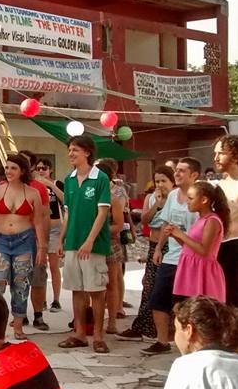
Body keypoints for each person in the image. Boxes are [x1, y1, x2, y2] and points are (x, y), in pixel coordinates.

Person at [58, 135, 112, 354]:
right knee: (77, 289)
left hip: (94, 245)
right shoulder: (69, 179)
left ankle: (98, 336)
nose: (70, 154)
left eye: (75, 150)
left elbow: (102, 212)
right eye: (69, 150)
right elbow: (68, 214)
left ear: (87, 153)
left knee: (96, 290)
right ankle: (79, 333)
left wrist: (89, 240)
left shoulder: (101, 178)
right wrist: (62, 239)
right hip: (72, 243)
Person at [143, 158, 201, 356]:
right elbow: (165, 224)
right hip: (171, 257)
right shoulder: (174, 195)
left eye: (182, 171)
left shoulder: (201, 197)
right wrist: (159, 248)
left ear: (194, 175)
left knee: (188, 304)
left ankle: (191, 344)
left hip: (192, 259)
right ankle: (162, 341)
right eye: (176, 170)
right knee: (158, 299)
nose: (177, 174)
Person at [0, 154, 46, 340]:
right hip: (1, 240)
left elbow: (38, 222)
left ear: (22, 171)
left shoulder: (32, 193)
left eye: (13, 168)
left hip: (24, 241)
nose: (9, 171)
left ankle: (18, 326)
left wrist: (42, 247)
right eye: (7, 167)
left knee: (21, 284)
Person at [118, 166, 175, 342]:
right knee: (149, 286)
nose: (160, 184)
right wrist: (157, 203)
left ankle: (169, 329)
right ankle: (143, 326)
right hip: (153, 244)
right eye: (157, 181)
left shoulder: (176, 198)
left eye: (163, 181)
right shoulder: (151, 198)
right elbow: (144, 220)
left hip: (170, 247)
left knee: (167, 288)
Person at [168, 182, 229, 301]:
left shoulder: (212, 221)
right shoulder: (200, 219)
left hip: (202, 271)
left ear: (204, 200)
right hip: (190, 269)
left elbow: (204, 250)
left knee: (200, 310)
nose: (187, 201)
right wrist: (175, 235)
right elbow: (190, 247)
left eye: (191, 198)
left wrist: (181, 234)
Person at [211, 134, 238, 311]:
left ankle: (237, 337)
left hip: (236, 247)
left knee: (235, 299)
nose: (216, 158)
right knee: (215, 298)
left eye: (221, 153)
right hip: (215, 246)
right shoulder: (219, 185)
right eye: (215, 153)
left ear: (236, 156)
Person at [17, 150, 51, 329]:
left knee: (38, 278)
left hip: (34, 239)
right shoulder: (6, 185)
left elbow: (45, 216)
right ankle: (19, 314)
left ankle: (38, 315)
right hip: (14, 240)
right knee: (18, 279)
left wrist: (43, 244)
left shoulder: (39, 188)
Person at [95, 158, 128, 335]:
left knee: (111, 283)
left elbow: (118, 225)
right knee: (92, 285)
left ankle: (112, 321)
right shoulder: (90, 196)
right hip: (93, 244)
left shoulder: (114, 198)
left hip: (110, 243)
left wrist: (98, 230)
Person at [33, 158, 65, 314]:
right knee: (40, 265)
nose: (40, 171)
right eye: (38, 168)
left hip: (55, 228)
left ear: (50, 169)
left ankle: (56, 300)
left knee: (54, 266)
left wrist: (50, 185)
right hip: (40, 228)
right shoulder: (35, 186)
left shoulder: (57, 183)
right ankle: (43, 299)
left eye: (44, 168)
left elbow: (66, 200)